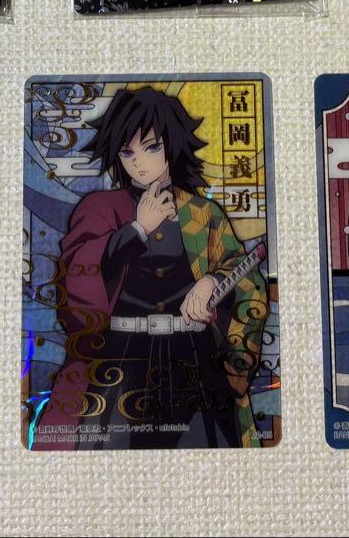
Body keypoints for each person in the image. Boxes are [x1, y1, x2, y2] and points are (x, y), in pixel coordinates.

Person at [37, 87, 267, 449]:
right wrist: (136, 230)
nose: (138, 163)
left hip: (194, 361)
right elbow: (77, 280)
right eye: (127, 152)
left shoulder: (203, 213)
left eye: (151, 147)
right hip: (121, 364)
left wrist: (212, 280)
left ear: (172, 145)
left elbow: (244, 273)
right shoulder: (100, 208)